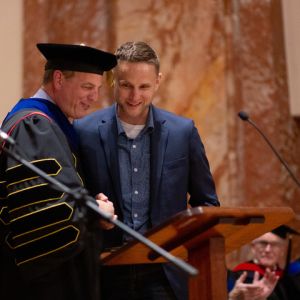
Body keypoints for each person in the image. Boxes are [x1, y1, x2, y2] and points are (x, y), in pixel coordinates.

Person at [74, 41, 220, 300]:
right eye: (126, 85)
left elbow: (206, 203)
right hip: (107, 270)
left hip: (166, 272)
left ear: (158, 81)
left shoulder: (182, 132)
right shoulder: (84, 131)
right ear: (113, 80)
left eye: (144, 87)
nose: (134, 96)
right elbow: (75, 197)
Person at [0, 43, 117, 300]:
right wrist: (94, 214)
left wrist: (89, 204)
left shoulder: (51, 125)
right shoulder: (35, 124)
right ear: (59, 79)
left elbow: (55, 195)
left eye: (97, 89)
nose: (94, 97)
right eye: (87, 87)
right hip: (44, 286)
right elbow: (45, 216)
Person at [228, 225, 300, 300]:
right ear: (253, 247)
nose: (267, 250)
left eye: (274, 245)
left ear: (282, 250)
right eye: (263, 243)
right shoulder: (241, 276)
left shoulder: (289, 280)